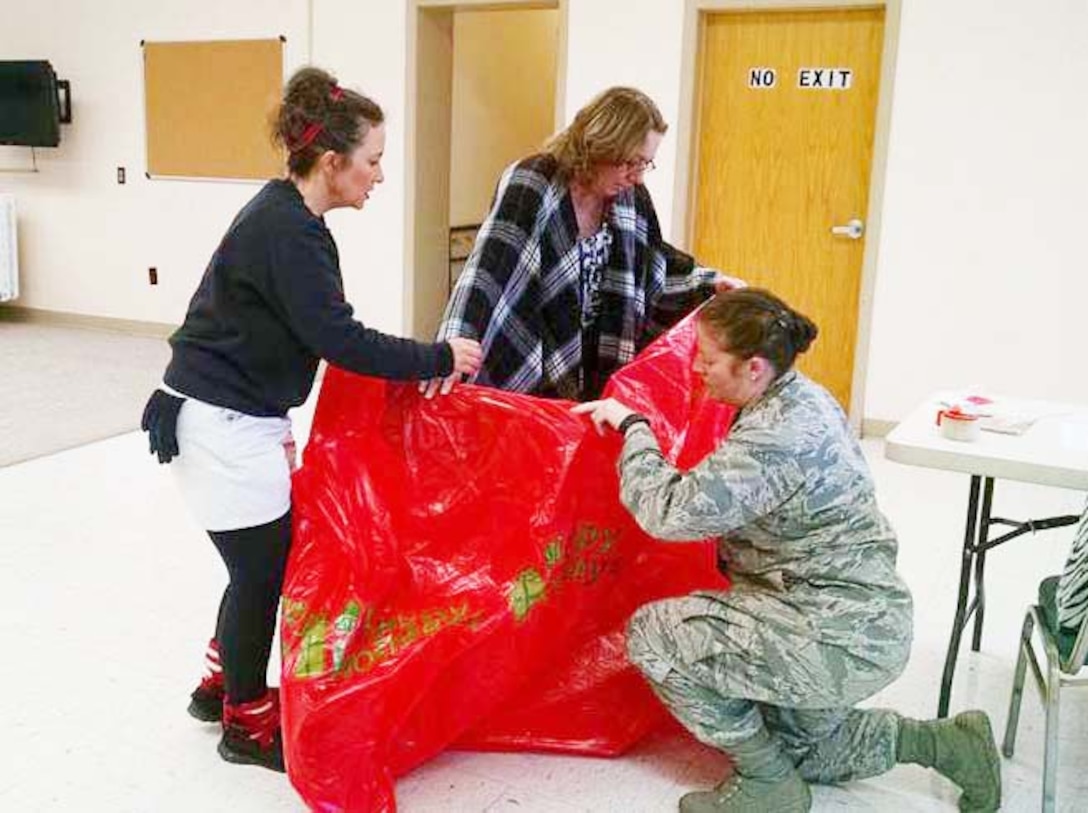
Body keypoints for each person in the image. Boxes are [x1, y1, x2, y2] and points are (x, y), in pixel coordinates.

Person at [139, 66, 482, 773]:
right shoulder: (287, 231)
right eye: (374, 160)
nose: (380, 176)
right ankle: (245, 719)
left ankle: (217, 681)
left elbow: (322, 328)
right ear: (332, 162)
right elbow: (339, 337)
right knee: (261, 574)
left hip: (233, 413)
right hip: (220, 421)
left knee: (259, 565)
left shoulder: (291, 216)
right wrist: (438, 355)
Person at [572, 288, 1001, 813]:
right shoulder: (802, 394)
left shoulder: (776, 436)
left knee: (654, 636)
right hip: (857, 616)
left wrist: (634, 427)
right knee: (811, 754)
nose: (696, 370)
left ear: (753, 367)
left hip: (831, 629)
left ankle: (766, 783)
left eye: (708, 361)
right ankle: (946, 743)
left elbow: (670, 512)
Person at [430, 85, 743, 402]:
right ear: (602, 145)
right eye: (631, 162)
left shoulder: (632, 199)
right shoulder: (534, 180)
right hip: (533, 345)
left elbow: (657, 263)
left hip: (599, 354)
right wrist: (452, 346)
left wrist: (710, 283)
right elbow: (488, 268)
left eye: (646, 164)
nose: (637, 176)